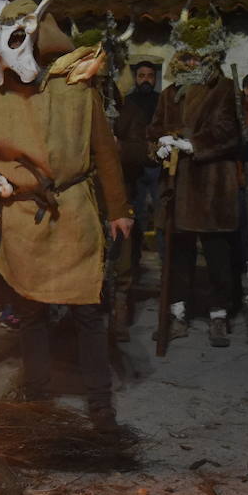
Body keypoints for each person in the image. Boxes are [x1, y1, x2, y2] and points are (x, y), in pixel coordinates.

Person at [0, 0, 132, 431]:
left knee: (89, 312)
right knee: (32, 314)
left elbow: (105, 152)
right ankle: (37, 402)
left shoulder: (77, 90)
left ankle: (101, 408)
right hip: (23, 219)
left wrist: (119, 209)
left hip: (73, 210)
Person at [147, 9, 242, 347]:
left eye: (197, 57)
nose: (190, 64)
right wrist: (157, 146)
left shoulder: (226, 89)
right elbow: (155, 129)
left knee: (217, 256)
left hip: (212, 187)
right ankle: (177, 314)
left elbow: (230, 132)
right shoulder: (169, 94)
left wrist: (192, 143)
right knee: (177, 256)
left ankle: (219, 314)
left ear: (212, 57)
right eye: (185, 57)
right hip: (176, 187)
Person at [112, 58, 162, 323]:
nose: (145, 79)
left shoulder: (158, 101)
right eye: (140, 75)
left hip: (153, 168)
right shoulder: (127, 103)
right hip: (129, 173)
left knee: (157, 219)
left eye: (149, 75)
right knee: (136, 221)